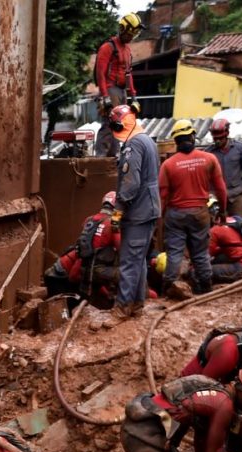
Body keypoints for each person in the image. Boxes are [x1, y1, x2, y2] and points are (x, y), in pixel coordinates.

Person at [159, 119, 226, 299]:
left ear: (176, 141)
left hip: (176, 214)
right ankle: (205, 288)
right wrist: (223, 211)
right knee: (200, 253)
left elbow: (163, 196)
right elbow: (220, 189)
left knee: (174, 253)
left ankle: (169, 289)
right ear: (193, 136)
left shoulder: (168, 165)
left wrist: (161, 217)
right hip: (200, 213)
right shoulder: (209, 159)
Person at [108, 103, 160, 325]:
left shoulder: (133, 145)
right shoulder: (147, 139)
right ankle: (137, 305)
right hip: (147, 209)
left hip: (138, 211)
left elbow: (130, 182)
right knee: (138, 261)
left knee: (129, 262)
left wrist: (118, 211)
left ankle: (121, 309)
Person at [44, 191, 121, 303]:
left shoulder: (90, 220)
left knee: (78, 302)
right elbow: (73, 276)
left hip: (59, 276)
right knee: (64, 313)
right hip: (58, 278)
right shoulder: (111, 224)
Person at [93, 13, 144, 158]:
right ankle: (100, 158)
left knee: (120, 125)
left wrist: (133, 97)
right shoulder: (107, 47)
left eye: (133, 35)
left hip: (122, 92)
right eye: (129, 34)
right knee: (109, 124)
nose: (131, 38)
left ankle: (113, 156)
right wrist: (104, 96)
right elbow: (100, 74)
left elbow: (128, 74)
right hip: (110, 89)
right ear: (122, 29)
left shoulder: (127, 50)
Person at [204, 118, 242, 216]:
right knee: (215, 226)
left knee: (239, 224)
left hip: (235, 195)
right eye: (215, 139)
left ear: (227, 134)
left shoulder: (240, 148)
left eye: (221, 138)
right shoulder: (208, 153)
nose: (218, 141)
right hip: (215, 197)